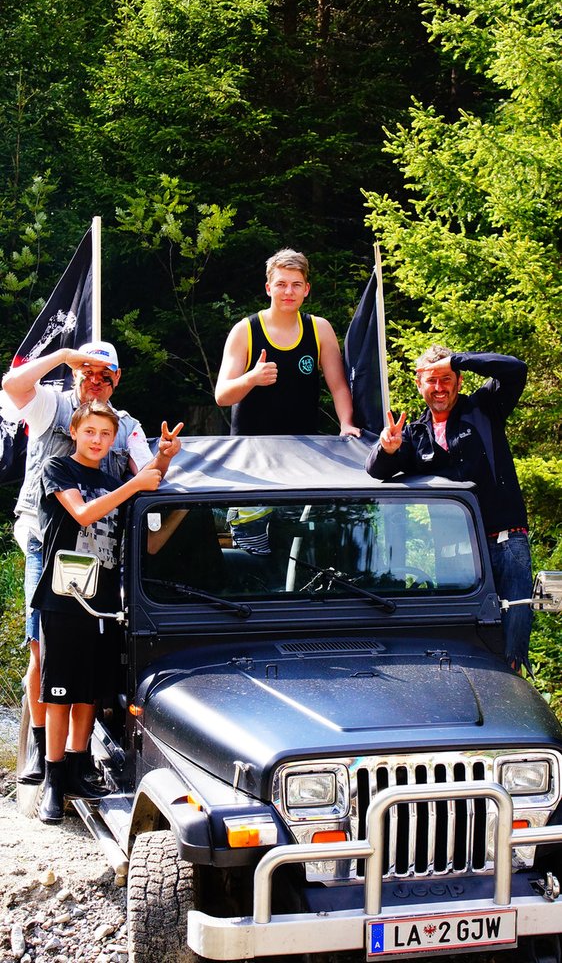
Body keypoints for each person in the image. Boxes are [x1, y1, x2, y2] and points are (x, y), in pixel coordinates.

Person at [1, 340, 182, 785]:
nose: (96, 382)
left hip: (98, 550)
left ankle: (77, 757)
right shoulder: (52, 405)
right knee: (42, 649)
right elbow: (12, 385)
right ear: (76, 374)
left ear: (117, 379)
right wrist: (64, 355)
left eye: (106, 375)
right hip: (47, 542)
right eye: (88, 372)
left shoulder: (127, 426)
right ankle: (42, 749)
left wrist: (163, 457)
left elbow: (149, 478)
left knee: (90, 657)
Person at [31, 400, 182, 823]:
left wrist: (164, 459)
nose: (97, 440)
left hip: (104, 603)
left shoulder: (114, 480)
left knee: (90, 691)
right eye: (90, 431)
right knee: (59, 691)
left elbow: (148, 523)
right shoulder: (58, 469)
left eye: (105, 434)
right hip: (63, 596)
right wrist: (134, 486)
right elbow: (83, 513)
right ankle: (53, 778)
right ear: (74, 432)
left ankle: (78, 767)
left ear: (114, 439)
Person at [365, 345, 533, 674]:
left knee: (514, 640)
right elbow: (376, 470)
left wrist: (457, 360)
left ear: (458, 381)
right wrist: (387, 448)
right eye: (432, 380)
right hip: (455, 551)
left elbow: (515, 368)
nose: (439, 388)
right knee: (468, 641)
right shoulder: (414, 434)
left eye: (446, 379)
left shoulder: (484, 407)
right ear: (419, 384)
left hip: (505, 540)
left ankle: (514, 689)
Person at [214, 248, 361, 437]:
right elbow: (222, 396)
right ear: (268, 288)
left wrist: (346, 424)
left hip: (304, 445)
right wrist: (251, 378)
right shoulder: (244, 331)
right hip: (251, 446)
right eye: (281, 284)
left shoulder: (320, 329)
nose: (289, 292)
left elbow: (339, 387)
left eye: (296, 285)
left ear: (306, 289)